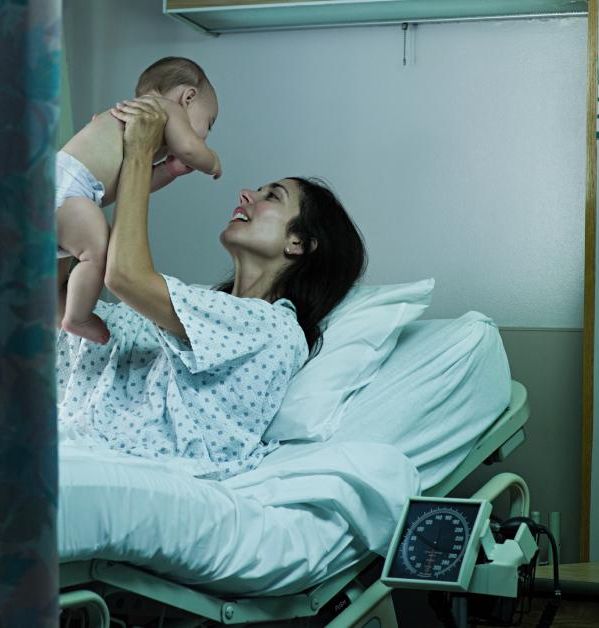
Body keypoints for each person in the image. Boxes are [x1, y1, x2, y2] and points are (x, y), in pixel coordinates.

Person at [55, 96, 367, 480]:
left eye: (272, 196)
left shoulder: (274, 329)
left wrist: (138, 152)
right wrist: (73, 195)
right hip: (77, 450)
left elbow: (125, 277)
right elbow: (62, 311)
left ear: (298, 243)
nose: (246, 194)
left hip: (140, 475)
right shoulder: (190, 313)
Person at [57, 57, 223, 345]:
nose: (206, 134)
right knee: (97, 251)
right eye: (209, 123)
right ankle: (77, 317)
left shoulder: (132, 123)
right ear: (188, 97)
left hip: (60, 190)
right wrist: (211, 161)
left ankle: (59, 313)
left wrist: (169, 171)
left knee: (59, 275)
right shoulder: (165, 108)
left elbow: (132, 185)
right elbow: (189, 148)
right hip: (71, 188)